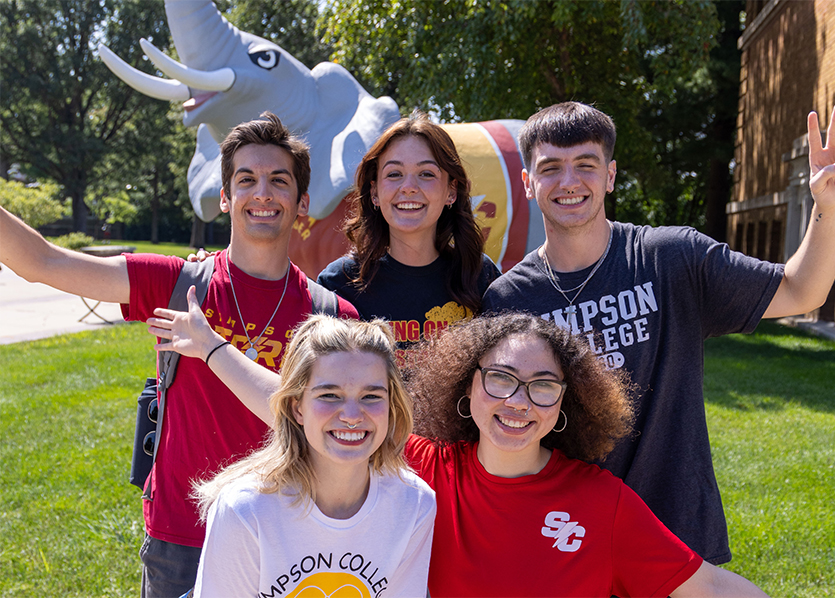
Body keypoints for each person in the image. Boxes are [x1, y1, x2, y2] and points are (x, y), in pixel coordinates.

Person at [146, 304, 770, 597]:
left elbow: (708, 589)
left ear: (564, 406)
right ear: (465, 391)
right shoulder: (417, 471)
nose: (517, 401)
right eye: (499, 380)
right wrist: (212, 348)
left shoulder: (597, 500)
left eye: (542, 386)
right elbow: (320, 409)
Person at [480, 100, 835, 564]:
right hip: (567, 537)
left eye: (586, 164)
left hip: (676, 531)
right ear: (528, 183)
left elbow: (802, 290)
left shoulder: (671, 257)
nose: (569, 181)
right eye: (551, 167)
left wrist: (831, 208)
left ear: (611, 175)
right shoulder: (507, 298)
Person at [0, 111, 358, 596]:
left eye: (279, 180)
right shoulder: (177, 283)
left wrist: (211, 346)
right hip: (180, 535)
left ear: (301, 203)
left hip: (285, 533)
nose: (263, 193)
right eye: (246, 179)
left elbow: (330, 425)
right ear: (226, 197)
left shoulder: (332, 316)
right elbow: (42, 262)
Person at [190, 315, 435, 597]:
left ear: (392, 406)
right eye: (330, 395)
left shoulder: (414, 504)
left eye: (371, 396)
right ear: (297, 408)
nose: (353, 416)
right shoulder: (245, 509)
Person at [316, 112, 500, 366]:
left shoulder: (481, 276)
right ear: (375, 193)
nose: (409, 187)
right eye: (394, 174)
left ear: (451, 191)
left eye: (426, 174)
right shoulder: (338, 284)